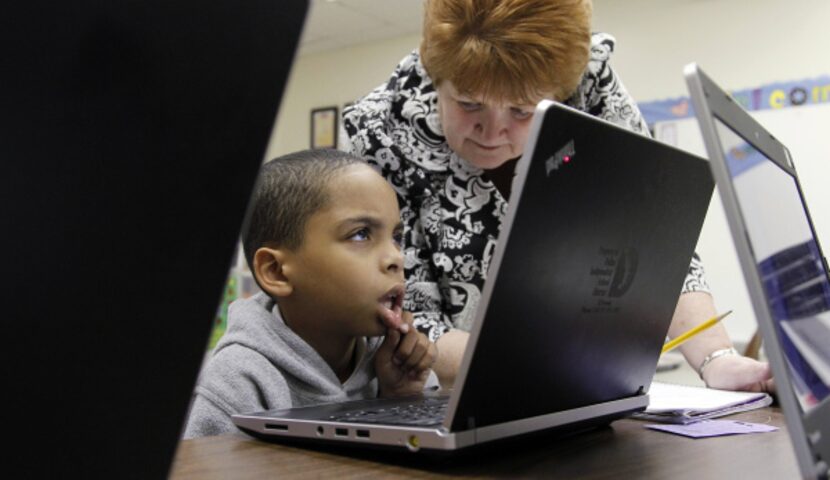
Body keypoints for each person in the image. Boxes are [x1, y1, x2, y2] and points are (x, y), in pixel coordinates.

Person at [343, 0, 774, 393]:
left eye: (522, 110)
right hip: (455, 393)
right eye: (469, 104)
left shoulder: (591, 83)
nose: (492, 133)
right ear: (437, 78)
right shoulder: (383, 128)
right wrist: (557, 368)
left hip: (583, 381)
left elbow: (655, 236)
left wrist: (717, 359)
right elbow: (410, 322)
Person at [184, 149, 438, 438]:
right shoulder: (240, 382)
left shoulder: (396, 360)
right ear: (276, 271)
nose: (396, 257)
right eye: (360, 234)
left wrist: (400, 398)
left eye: (397, 237)